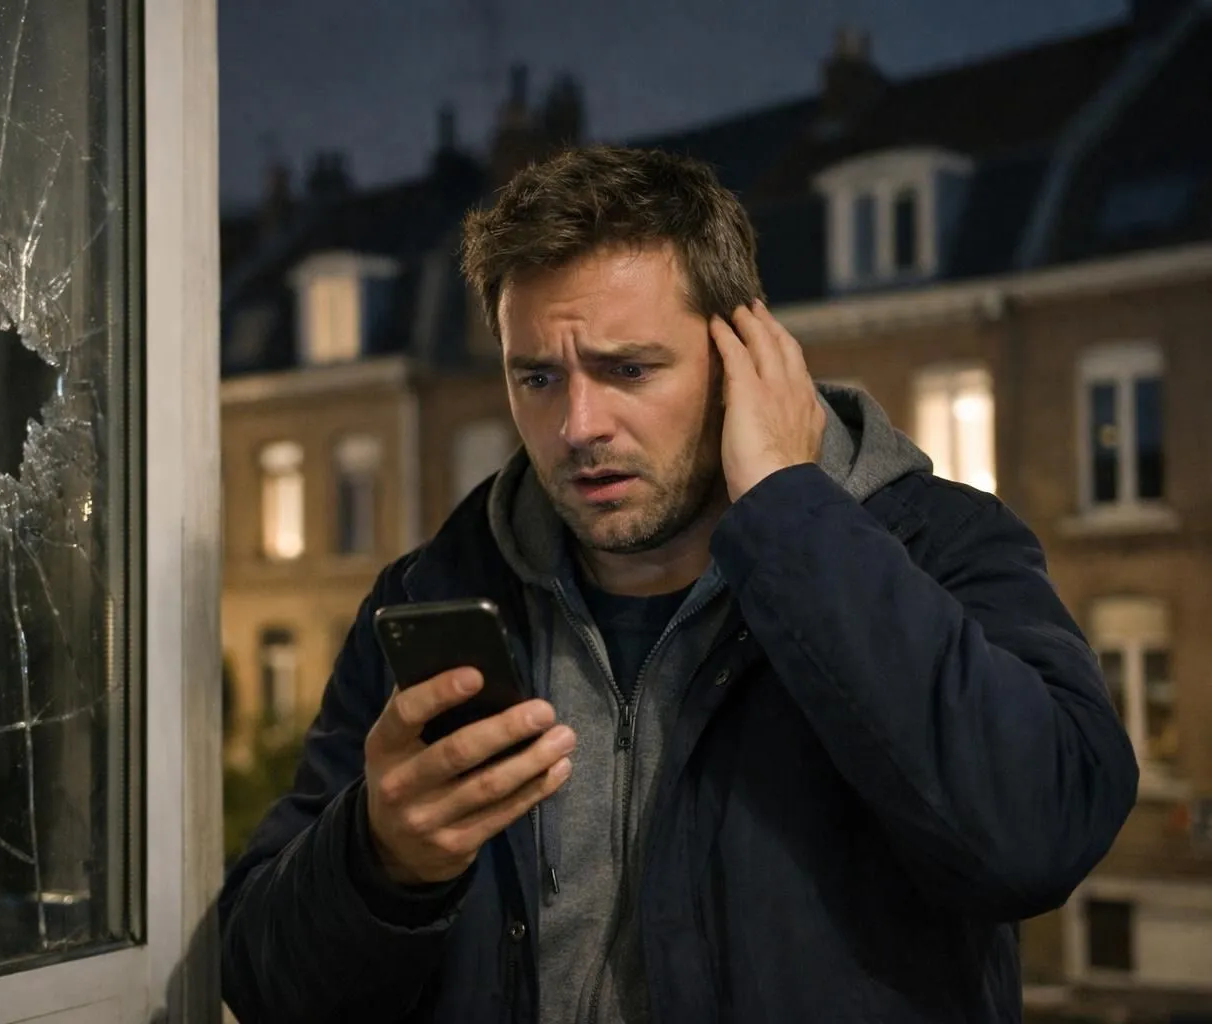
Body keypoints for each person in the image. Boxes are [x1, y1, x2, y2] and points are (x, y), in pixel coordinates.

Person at [218, 145, 1139, 1023]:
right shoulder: (434, 596)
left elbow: (1039, 836)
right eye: (537, 376)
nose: (579, 424)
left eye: (628, 370)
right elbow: (263, 978)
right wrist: (381, 864)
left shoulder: (937, 546)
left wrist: (790, 513)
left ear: (747, 353)